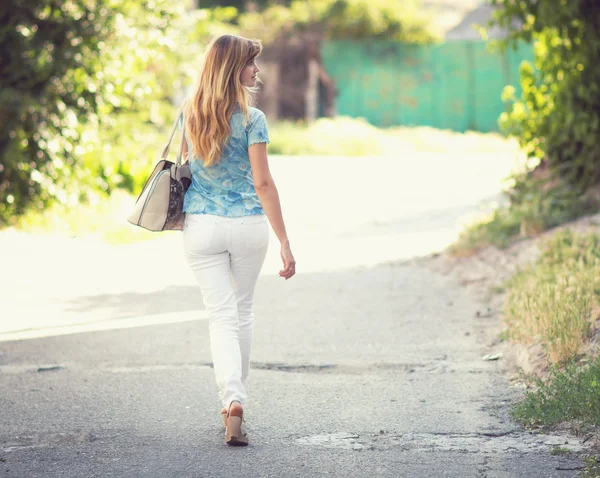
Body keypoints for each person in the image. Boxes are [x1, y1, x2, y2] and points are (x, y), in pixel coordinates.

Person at [181, 34, 296, 447]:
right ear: (234, 68)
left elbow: (182, 170)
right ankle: (235, 401)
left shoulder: (189, 113)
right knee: (241, 311)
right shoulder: (253, 118)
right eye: (251, 63)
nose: (257, 70)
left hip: (202, 228)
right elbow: (263, 183)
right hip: (247, 225)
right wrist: (284, 240)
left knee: (220, 315)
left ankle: (231, 400)